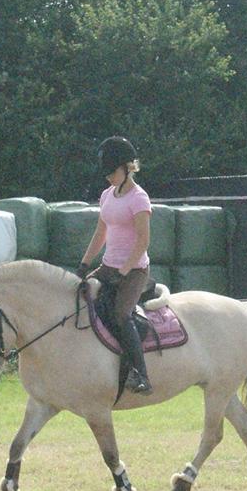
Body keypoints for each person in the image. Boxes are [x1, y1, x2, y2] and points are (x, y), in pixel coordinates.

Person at [76, 136, 153, 394]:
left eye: (112, 172)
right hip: (109, 267)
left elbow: (143, 241)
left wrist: (124, 271)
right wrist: (85, 264)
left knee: (121, 313)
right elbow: (101, 234)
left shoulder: (139, 199)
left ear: (127, 167)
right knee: (80, 296)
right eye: (106, 173)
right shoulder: (107, 195)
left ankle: (141, 374)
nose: (108, 177)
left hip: (135, 270)